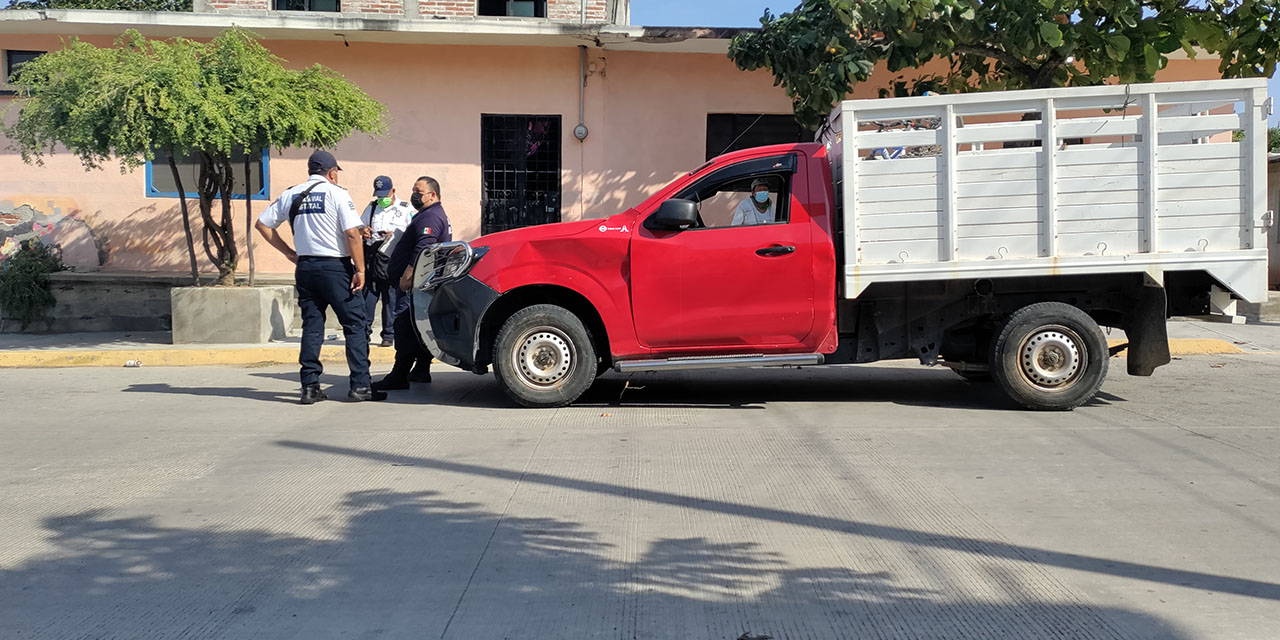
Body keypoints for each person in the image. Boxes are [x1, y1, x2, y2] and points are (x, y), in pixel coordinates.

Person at [254, 150, 386, 404]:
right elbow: (351, 234)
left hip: (305, 268)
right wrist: (360, 269)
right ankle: (360, 386)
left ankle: (310, 386)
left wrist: (289, 253)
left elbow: (263, 224)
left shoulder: (291, 194)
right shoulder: (337, 194)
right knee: (355, 325)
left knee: (312, 326)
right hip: (335, 268)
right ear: (332, 172)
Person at [373, 176, 452, 392]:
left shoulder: (430, 218)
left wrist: (406, 279)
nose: (414, 195)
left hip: (414, 285)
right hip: (420, 285)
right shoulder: (428, 215)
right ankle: (420, 369)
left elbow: (423, 251)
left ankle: (399, 375)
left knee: (403, 326)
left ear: (432, 195)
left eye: (419, 191)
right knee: (416, 328)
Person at [359, 176, 415, 348]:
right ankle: (364, 334)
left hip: (392, 260)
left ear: (393, 191)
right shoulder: (372, 207)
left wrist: (394, 234)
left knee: (390, 300)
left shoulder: (405, 209)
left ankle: (388, 335)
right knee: (368, 299)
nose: (382, 199)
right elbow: (360, 226)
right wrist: (364, 230)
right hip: (373, 259)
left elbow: (412, 234)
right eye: (379, 195)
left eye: (385, 195)